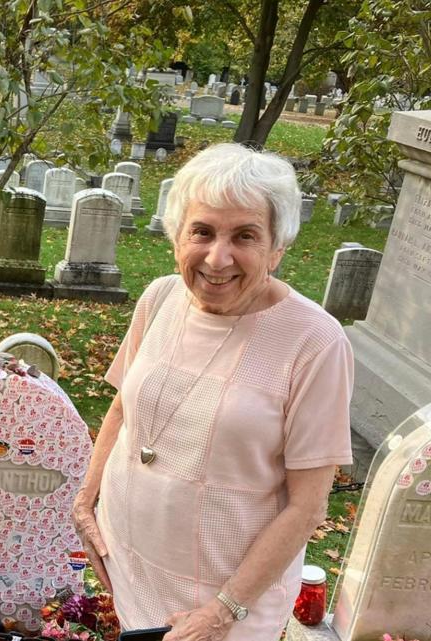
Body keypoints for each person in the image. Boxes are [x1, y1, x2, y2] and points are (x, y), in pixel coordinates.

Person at [73, 143, 353, 641]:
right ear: (176, 237)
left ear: (278, 248)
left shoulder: (314, 340)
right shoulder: (159, 297)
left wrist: (221, 612)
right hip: (132, 563)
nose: (217, 257)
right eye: (201, 231)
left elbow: (308, 506)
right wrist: (86, 501)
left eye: (245, 236)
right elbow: (123, 406)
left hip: (227, 600)